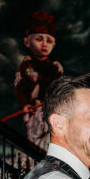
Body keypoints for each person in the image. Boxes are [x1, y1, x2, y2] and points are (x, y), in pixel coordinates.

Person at [14, 10, 64, 148]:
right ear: (27, 42)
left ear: (54, 44)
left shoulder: (55, 68)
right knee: (35, 139)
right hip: (34, 110)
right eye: (39, 39)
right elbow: (20, 88)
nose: (44, 44)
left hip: (51, 110)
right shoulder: (26, 65)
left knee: (51, 139)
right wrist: (24, 104)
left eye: (49, 41)